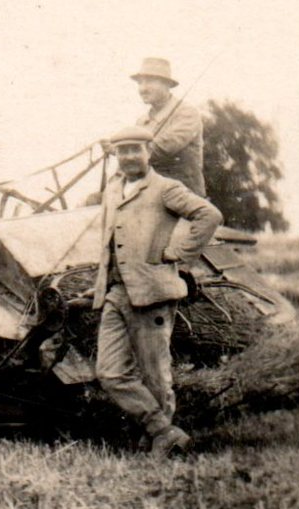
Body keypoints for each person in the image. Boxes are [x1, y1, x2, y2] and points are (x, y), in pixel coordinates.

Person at [92, 124, 223, 455]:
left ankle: (158, 444)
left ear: (148, 153)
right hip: (115, 293)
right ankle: (163, 431)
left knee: (155, 374)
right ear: (116, 155)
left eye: (136, 149)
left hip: (153, 292)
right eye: (123, 150)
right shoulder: (112, 189)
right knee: (109, 373)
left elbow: (208, 215)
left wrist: (178, 254)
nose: (130, 156)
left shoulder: (166, 188)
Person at [132, 56, 206, 196]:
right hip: (150, 197)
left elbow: (162, 148)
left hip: (184, 199)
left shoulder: (187, 113)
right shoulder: (142, 122)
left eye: (150, 82)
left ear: (167, 85)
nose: (143, 89)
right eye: (140, 83)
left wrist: (122, 150)